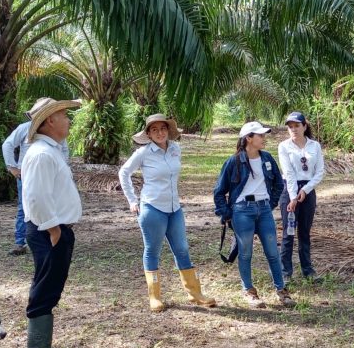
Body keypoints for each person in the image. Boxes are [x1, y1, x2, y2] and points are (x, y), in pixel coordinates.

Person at [119, 114, 215, 313]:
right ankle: (154, 297)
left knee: (182, 248)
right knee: (152, 250)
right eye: (154, 130)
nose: (160, 133)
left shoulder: (175, 149)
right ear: (148, 134)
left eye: (162, 128)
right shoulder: (143, 153)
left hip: (174, 208)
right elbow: (124, 172)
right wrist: (132, 200)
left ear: (168, 131)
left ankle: (195, 293)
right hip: (152, 208)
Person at [20, 97, 82, 348]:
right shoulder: (42, 154)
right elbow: (35, 197)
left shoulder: (50, 151)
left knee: (49, 287)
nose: (68, 119)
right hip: (49, 231)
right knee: (45, 290)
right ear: (49, 122)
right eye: (63, 115)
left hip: (54, 230)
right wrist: (54, 229)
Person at [213, 121, 293, 309]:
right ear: (248, 138)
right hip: (242, 210)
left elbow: (279, 185)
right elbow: (219, 191)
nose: (264, 139)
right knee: (245, 252)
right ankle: (249, 290)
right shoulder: (234, 161)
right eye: (260, 136)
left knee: (273, 251)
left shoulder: (266, 158)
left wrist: (269, 204)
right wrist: (227, 214)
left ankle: (281, 290)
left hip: (263, 209)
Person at [1, 100, 70, 256]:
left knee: (51, 205)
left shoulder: (56, 132)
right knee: (26, 207)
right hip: (27, 175)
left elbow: (64, 150)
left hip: (52, 174)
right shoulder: (24, 128)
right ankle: (21, 242)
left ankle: (50, 238)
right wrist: (12, 167)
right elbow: (8, 144)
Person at [277, 111, 325, 283]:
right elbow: (288, 173)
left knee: (304, 232)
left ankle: (308, 270)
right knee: (288, 232)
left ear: (305, 126)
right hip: (289, 190)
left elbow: (319, 172)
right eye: (290, 127)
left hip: (308, 190)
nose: (293, 129)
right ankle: (285, 272)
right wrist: (293, 197)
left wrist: (305, 190)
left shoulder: (315, 146)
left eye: (297, 126)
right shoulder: (284, 146)